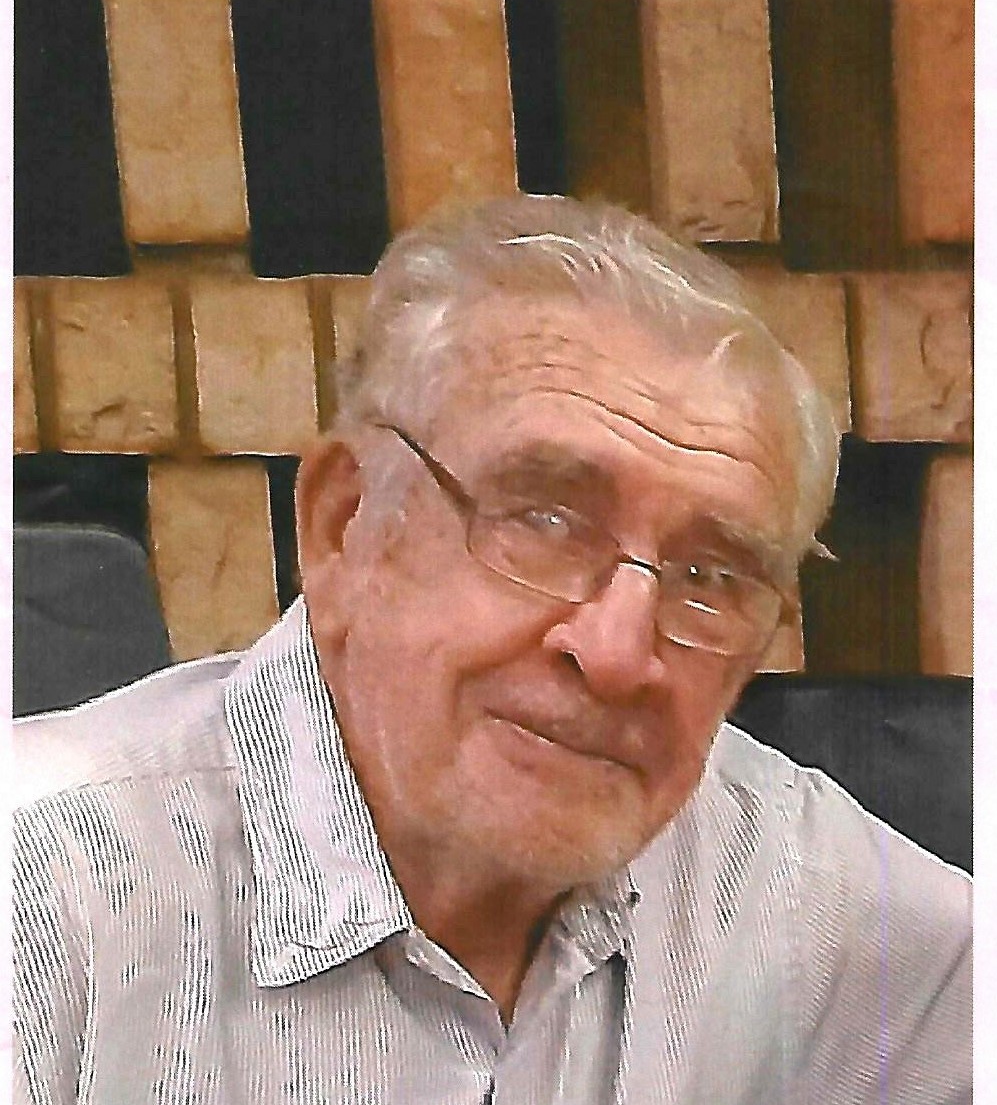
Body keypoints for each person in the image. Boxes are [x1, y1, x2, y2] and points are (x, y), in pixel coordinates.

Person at [13, 195, 970, 1104]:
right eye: (544, 522)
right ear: (346, 524)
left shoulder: (791, 885)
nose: (617, 652)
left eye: (711, 577)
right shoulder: (45, 892)